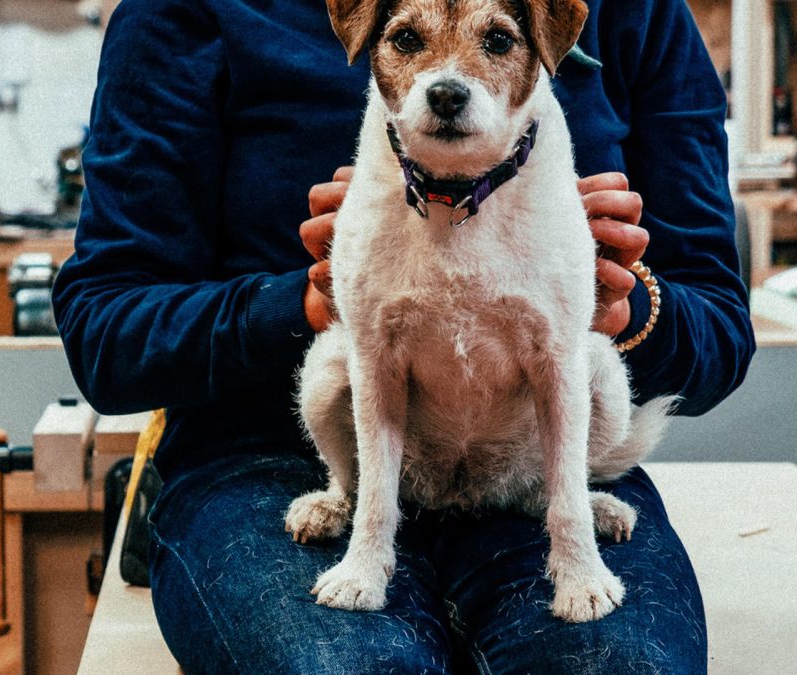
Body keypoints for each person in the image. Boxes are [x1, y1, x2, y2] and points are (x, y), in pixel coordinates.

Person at [53, 0, 755, 671]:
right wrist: (317, 295)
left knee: (620, 664)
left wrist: (616, 299)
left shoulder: (632, 11)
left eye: (497, 41)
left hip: (531, 460)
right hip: (276, 457)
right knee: (344, 665)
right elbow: (106, 327)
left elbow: (721, 324)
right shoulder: (190, 12)